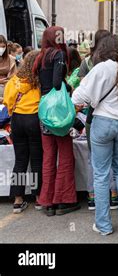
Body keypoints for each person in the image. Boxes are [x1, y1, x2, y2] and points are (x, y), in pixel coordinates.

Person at [72, 35, 118, 235]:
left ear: (102, 51)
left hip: (103, 124)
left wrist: (96, 100)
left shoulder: (102, 68)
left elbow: (78, 96)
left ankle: (104, 225)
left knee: (101, 173)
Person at [32, 26, 79, 217]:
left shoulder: (40, 56)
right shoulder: (59, 55)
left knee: (49, 157)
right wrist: (70, 86)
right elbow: (57, 83)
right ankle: (63, 199)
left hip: (44, 110)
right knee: (66, 155)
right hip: (59, 112)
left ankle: (47, 201)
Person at [77, 30, 118, 211]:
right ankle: (115, 195)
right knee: (114, 159)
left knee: (94, 159)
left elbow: (81, 90)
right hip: (116, 116)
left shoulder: (87, 62)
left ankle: (93, 197)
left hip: (93, 115)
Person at [3, 50, 42, 213]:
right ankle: (39, 198)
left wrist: (14, 113)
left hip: (18, 120)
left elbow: (7, 101)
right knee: (36, 160)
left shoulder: (14, 81)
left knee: (20, 160)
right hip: (34, 119)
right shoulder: (39, 81)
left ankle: (18, 200)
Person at [0, 35, 17, 103]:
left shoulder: (11, 59)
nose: (1, 49)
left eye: (3, 47)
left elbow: (14, 76)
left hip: (8, 89)